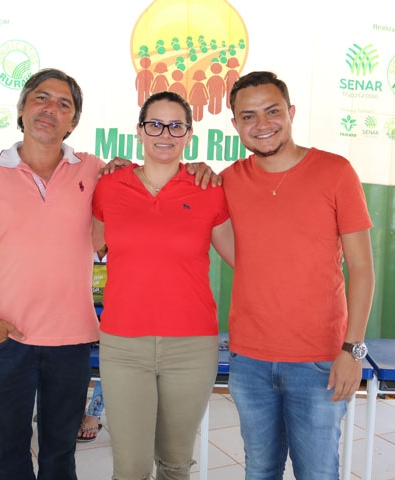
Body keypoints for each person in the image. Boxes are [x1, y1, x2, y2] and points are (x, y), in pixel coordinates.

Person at [0, 69, 218, 480]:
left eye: (64, 104)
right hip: (7, 338)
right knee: (6, 452)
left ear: (74, 121)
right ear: (22, 107)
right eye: (41, 98)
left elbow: (143, 186)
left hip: (72, 340)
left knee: (61, 453)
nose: (50, 110)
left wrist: (200, 168)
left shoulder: (95, 171)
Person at [221, 71, 375, 479]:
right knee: (260, 470)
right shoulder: (228, 181)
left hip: (321, 361)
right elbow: (238, 252)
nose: (262, 124)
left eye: (272, 111)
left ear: (290, 113)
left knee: (318, 472)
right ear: (235, 124)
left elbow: (362, 268)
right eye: (248, 116)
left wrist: (352, 350)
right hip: (249, 359)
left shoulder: (335, 171)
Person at [92, 90, 234, 480]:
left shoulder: (209, 188)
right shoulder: (109, 185)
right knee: (131, 467)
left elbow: (244, 258)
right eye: (155, 124)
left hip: (191, 347)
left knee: (174, 464)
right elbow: (90, 245)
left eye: (176, 126)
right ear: (139, 131)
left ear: (189, 134)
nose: (165, 133)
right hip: (123, 345)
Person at [78, 245, 108, 443]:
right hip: (77, 312)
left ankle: (94, 411)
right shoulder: (77, 242)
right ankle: (76, 407)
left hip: (113, 315)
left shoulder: (124, 243)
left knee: (109, 355)